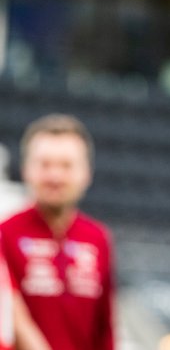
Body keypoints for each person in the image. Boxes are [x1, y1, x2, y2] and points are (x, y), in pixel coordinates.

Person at [0, 114, 115, 350]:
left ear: (87, 172)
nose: (55, 176)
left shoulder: (98, 239)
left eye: (66, 165)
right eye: (45, 164)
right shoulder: (5, 235)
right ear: (25, 169)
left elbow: (105, 331)